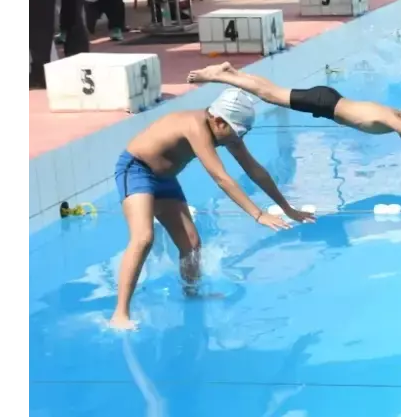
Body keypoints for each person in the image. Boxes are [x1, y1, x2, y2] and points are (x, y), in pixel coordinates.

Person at [111, 88, 316, 330]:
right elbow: (221, 177)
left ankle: (191, 293)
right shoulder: (195, 126)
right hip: (137, 169)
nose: (236, 140)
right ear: (218, 121)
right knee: (143, 237)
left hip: (165, 178)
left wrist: (286, 207)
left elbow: (254, 169)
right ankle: (120, 313)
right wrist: (257, 213)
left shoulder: (222, 129)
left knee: (191, 243)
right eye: (235, 133)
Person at [187, 63, 401, 164]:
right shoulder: (392, 120)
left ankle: (232, 73)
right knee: (269, 94)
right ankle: (219, 76)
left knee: (272, 91)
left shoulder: (396, 112)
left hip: (329, 99)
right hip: (325, 103)